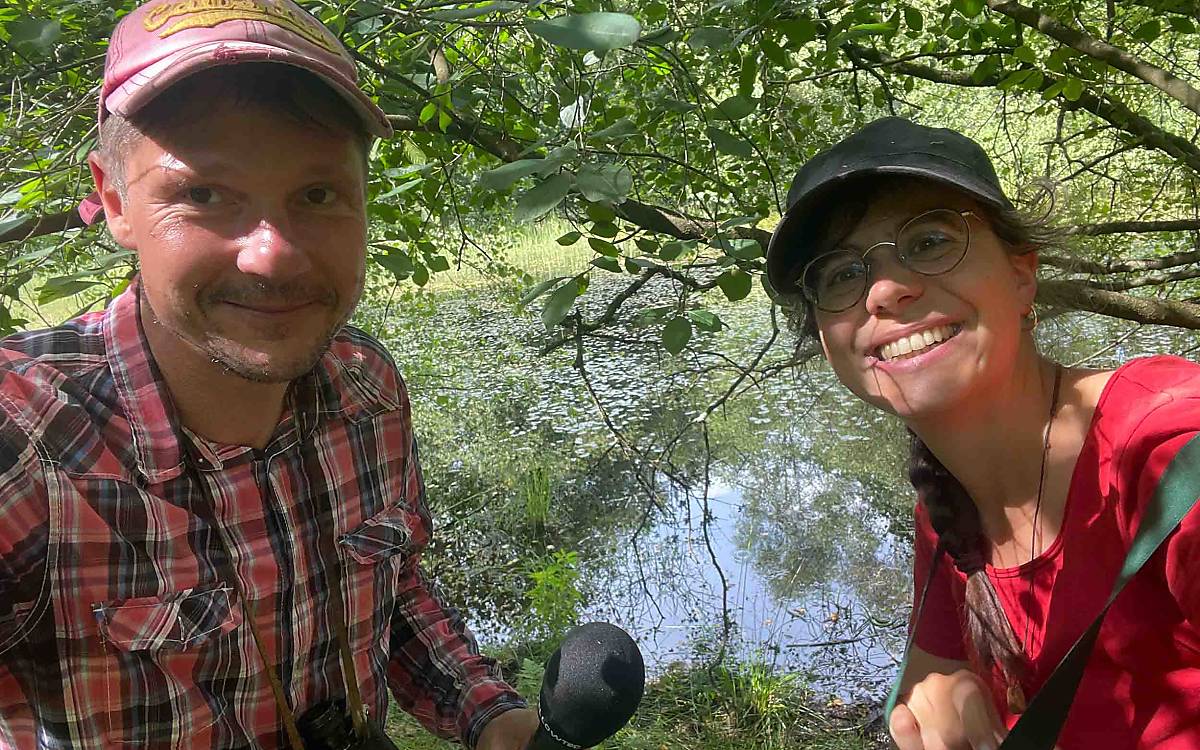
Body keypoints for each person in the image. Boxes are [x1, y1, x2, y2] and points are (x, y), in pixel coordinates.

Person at [0, 1, 539, 748]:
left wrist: (493, 717)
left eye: (316, 195)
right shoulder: (25, 447)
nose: (273, 255)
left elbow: (392, 591)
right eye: (203, 194)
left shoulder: (367, 389)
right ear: (116, 201)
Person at [764, 117, 1200, 749]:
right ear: (826, 341)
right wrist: (927, 695)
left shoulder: (1168, 449)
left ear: (1022, 276)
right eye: (841, 274)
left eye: (930, 241)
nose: (884, 291)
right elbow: (930, 682)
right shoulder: (945, 504)